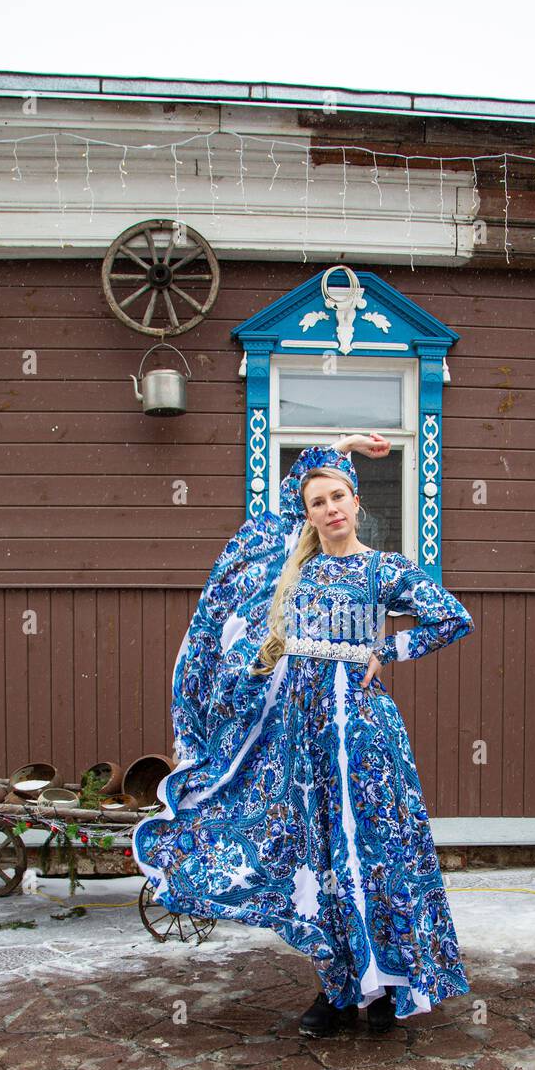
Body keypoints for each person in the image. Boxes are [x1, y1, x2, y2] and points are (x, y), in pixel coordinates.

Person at [131, 432, 474, 1037]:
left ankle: (391, 986)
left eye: (339, 496)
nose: (330, 508)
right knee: (318, 861)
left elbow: (453, 618)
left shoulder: (385, 569)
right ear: (308, 511)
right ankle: (338, 989)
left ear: (357, 502)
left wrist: (390, 647)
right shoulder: (296, 568)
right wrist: (336, 446)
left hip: (366, 740)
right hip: (303, 739)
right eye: (318, 502)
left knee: (375, 853)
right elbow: (283, 507)